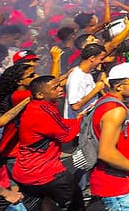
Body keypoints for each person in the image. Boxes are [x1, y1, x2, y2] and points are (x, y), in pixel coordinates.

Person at [13, 76, 85, 210]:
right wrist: (81, 121)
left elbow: (59, 122)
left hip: (27, 172)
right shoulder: (40, 113)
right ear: (40, 95)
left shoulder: (41, 106)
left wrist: (77, 120)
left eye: (59, 85)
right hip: (44, 172)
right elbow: (66, 136)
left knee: (42, 205)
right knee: (75, 203)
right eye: (55, 88)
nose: (60, 89)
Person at [90, 62, 129, 209]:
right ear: (119, 86)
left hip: (122, 177)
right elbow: (106, 153)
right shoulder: (115, 110)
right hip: (115, 184)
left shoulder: (106, 102)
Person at [64, 42, 106, 119]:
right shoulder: (76, 76)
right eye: (101, 59)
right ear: (92, 58)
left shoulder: (88, 74)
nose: (102, 62)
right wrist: (95, 90)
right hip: (77, 123)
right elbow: (75, 106)